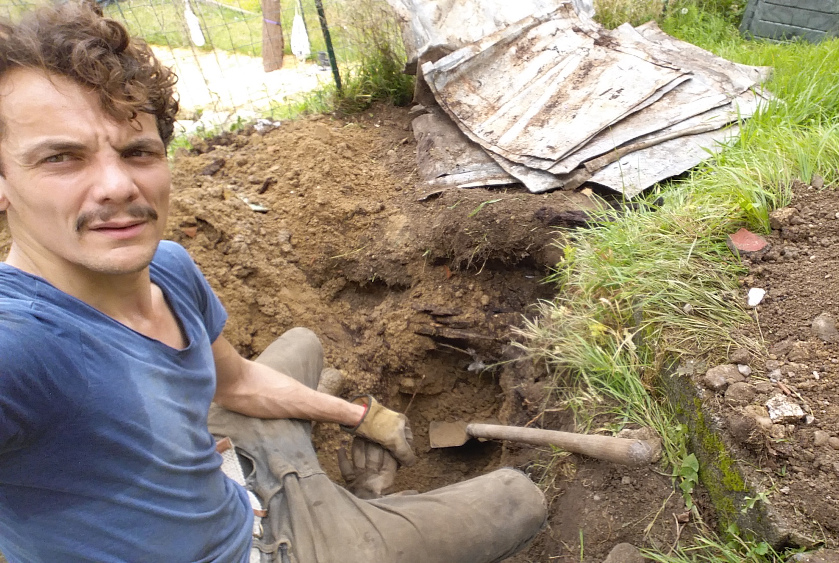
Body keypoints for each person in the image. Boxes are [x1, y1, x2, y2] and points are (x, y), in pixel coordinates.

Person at [0, 3, 546, 562]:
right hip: (257, 553)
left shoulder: (167, 266)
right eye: (62, 158)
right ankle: (337, 505)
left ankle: (312, 475)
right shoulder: (23, 348)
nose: (116, 185)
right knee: (518, 497)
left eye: (137, 151)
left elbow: (233, 384)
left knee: (304, 345)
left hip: (236, 487)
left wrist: (363, 416)